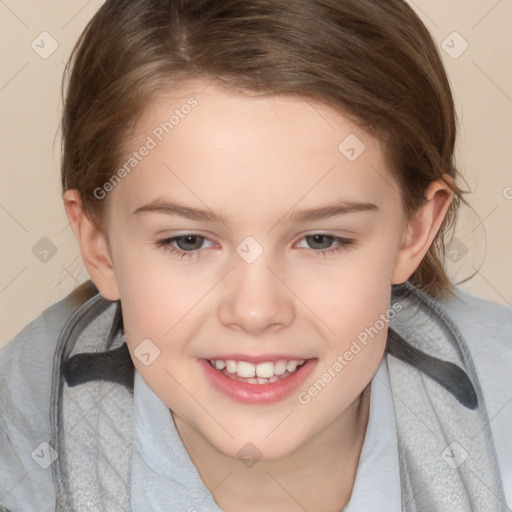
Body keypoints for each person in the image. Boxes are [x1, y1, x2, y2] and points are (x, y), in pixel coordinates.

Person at [1, 0, 511, 511]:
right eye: (189, 241)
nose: (255, 310)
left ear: (413, 231)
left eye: (321, 240)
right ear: (98, 244)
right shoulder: (21, 431)